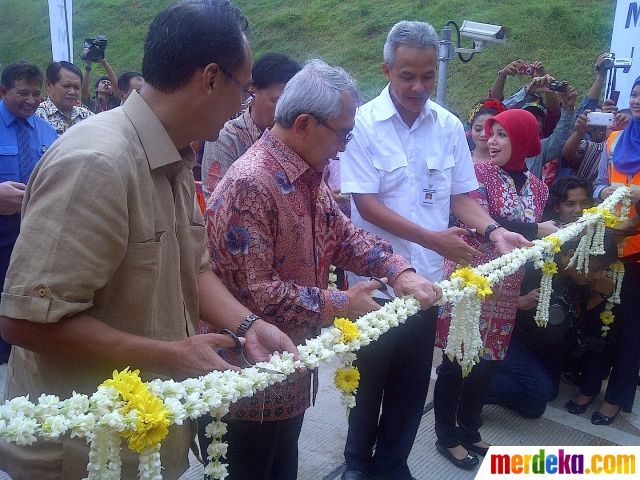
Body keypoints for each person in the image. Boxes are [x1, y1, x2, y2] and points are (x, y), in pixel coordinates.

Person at [0, 2, 298, 479]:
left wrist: (248, 326)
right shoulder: (98, 163)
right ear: (210, 78)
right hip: (81, 451)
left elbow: (193, 270)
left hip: (148, 436)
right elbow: (24, 320)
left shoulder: (176, 154)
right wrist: (170, 355)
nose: (244, 106)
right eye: (244, 91)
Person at [205, 58, 442, 480]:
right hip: (246, 382)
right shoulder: (252, 183)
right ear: (303, 124)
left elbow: (345, 237)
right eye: (343, 134)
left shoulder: (304, 175)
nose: (345, 147)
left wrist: (399, 271)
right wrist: (341, 303)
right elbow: (259, 291)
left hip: (290, 371)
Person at [338, 21, 532, 479]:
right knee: (367, 384)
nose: (418, 86)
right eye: (407, 75)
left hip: (426, 283)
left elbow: (460, 197)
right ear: (387, 70)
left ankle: (392, 465)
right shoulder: (361, 124)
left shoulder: (446, 126)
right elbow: (365, 203)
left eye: (428, 75)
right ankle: (356, 465)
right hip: (374, 284)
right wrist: (432, 238)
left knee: (409, 387)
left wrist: (491, 231)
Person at [434, 108, 550, 469]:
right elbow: (487, 222)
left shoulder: (540, 187)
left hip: (505, 289)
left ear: (526, 141)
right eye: (489, 133)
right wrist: (539, 230)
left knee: (486, 364)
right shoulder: (477, 173)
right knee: (455, 363)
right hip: (469, 283)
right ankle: (446, 436)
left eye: (502, 134)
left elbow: (526, 233)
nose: (491, 140)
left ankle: (469, 429)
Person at [486, 232, 617, 419]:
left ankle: (504, 374)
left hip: (539, 344)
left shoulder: (578, 276)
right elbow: (485, 298)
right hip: (507, 338)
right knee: (537, 397)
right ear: (571, 255)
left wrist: (603, 293)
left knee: (548, 393)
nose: (598, 276)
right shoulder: (534, 264)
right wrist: (519, 301)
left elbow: (578, 309)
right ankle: (471, 384)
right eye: (595, 269)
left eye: (602, 270)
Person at [590, 75, 640, 425]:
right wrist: (603, 193)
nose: (637, 100)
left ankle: (616, 398)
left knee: (630, 329)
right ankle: (589, 386)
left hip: (638, 252)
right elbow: (596, 184)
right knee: (596, 320)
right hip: (607, 246)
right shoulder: (614, 139)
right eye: (636, 94)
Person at [0, 60, 57, 364]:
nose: (31, 101)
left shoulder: (47, 132)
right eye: (23, 93)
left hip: (36, 230)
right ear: (3, 91)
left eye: (36, 94)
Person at [201, 51, 301, 200]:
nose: (286, 112)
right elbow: (216, 202)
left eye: (293, 105)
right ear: (252, 94)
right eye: (277, 102)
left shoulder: (296, 139)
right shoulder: (226, 139)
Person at [35, 61, 94, 137]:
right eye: (66, 86)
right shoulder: (37, 116)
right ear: (49, 85)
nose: (72, 92)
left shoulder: (87, 116)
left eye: (76, 88)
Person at [467, 98, 506, 163]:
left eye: (490, 130)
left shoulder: (503, 164)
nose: (483, 134)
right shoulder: (461, 158)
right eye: (478, 129)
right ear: (470, 130)